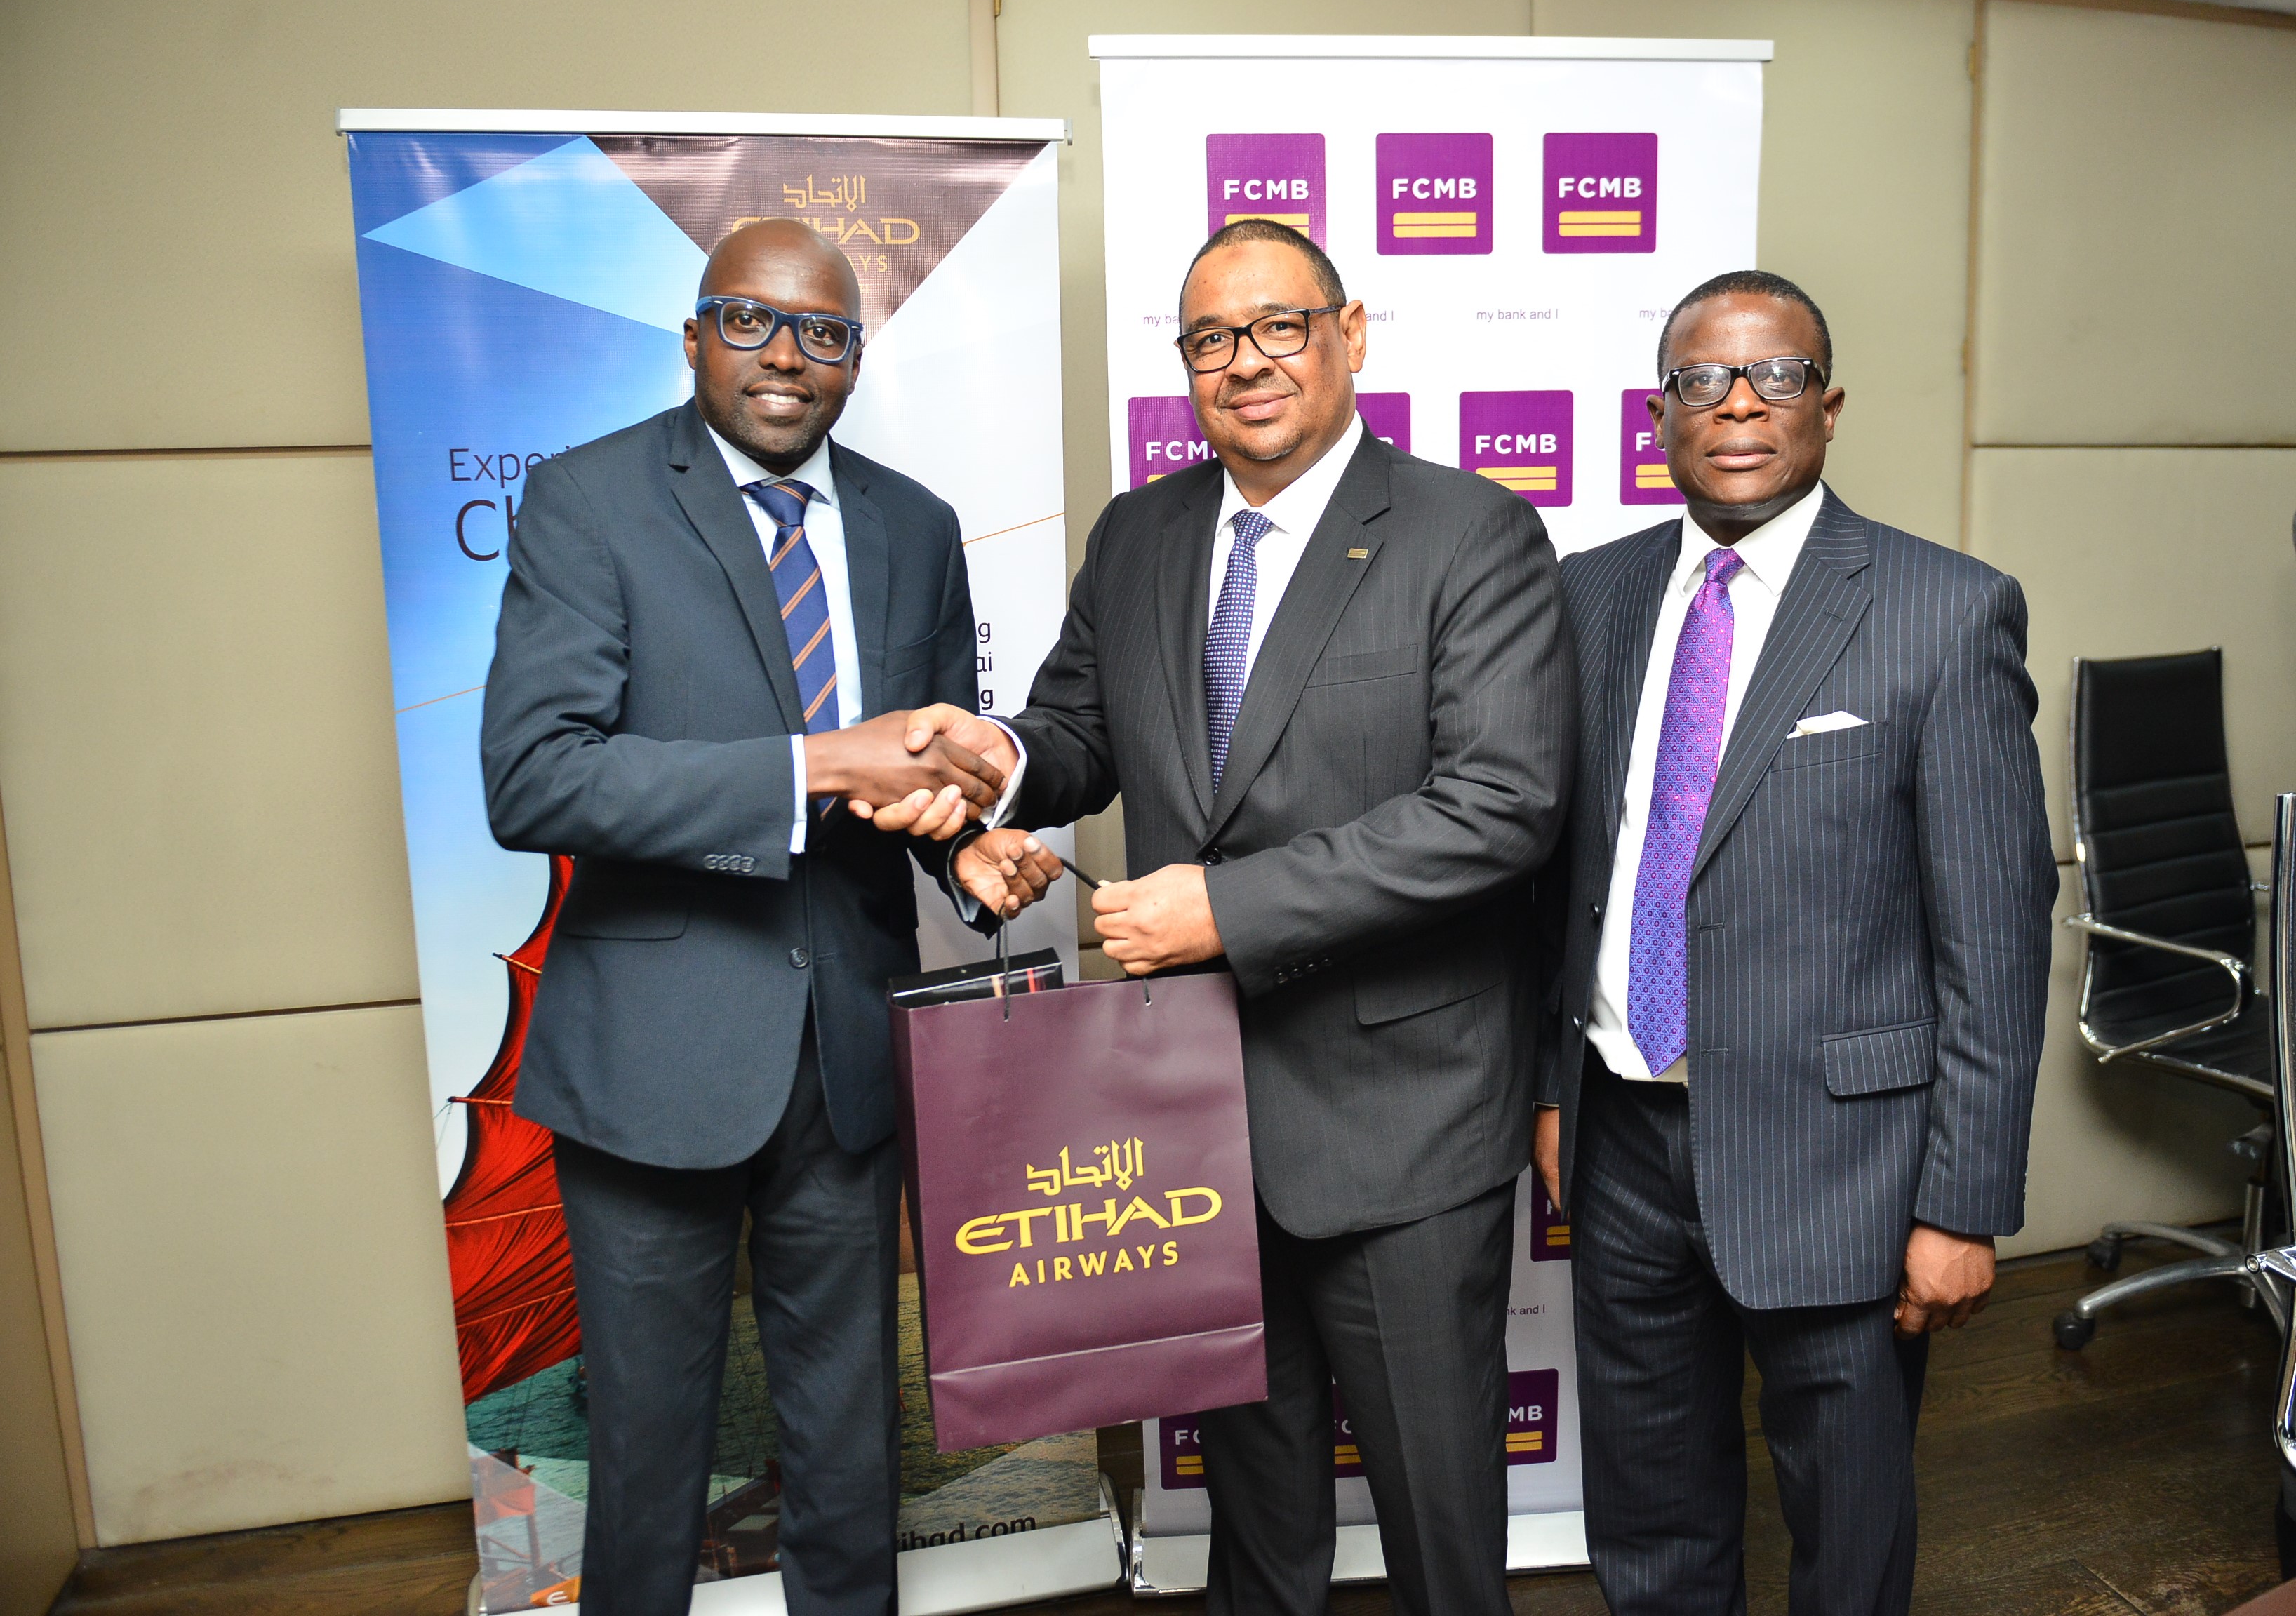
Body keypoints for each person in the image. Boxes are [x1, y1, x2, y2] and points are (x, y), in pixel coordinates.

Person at [872, 219, 1575, 1615]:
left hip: (1402, 1123)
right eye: (1210, 338)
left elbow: (1501, 804)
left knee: (1443, 1524)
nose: (1245, 363)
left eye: (1278, 326)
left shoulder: (1469, 532)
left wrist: (1228, 909)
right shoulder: (1141, 533)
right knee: (1256, 1529)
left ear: (1348, 333)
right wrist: (991, 769)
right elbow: (1078, 725)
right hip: (1190, 1126)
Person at [479, 220, 1006, 1616]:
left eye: (824, 331)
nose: (788, 355)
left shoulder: (913, 524)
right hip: (653, 1063)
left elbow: (931, 779)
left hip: (840, 1059)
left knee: (846, 1450)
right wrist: (817, 762)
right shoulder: (590, 503)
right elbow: (535, 775)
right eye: (751, 320)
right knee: (649, 1456)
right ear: (696, 334)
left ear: (854, 355)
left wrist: (973, 862)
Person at [1533, 269, 2055, 1615]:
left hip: (1851, 1168)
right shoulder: (1593, 597)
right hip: (1628, 1140)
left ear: (1828, 406)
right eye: (1704, 380)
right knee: (1649, 1521)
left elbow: (1996, 935)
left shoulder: (1944, 610)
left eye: (1774, 375)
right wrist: (1555, 1088)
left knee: (1849, 1530)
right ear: (1662, 417)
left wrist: (1962, 1204)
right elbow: (1564, 871)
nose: (1740, 404)